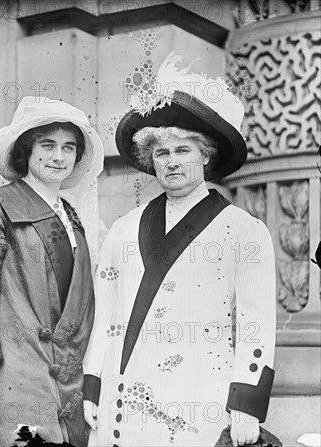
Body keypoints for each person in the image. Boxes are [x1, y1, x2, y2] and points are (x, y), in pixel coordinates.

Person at [82, 55, 277, 447]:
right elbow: (105, 315)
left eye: (183, 151)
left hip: (198, 404)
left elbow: (256, 323)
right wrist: (93, 384)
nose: (171, 162)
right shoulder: (123, 229)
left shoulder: (244, 231)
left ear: (206, 155)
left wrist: (247, 407)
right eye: (161, 153)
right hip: (123, 402)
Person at [0, 96, 104, 446]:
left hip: (66, 374)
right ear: (27, 150)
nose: (59, 157)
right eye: (48, 145)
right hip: (16, 366)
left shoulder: (72, 216)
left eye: (68, 148)